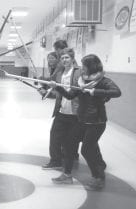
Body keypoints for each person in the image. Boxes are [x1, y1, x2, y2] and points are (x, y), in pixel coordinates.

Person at [51, 54, 121, 190]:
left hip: (96, 122)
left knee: (87, 150)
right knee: (68, 143)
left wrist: (96, 91)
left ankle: (98, 177)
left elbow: (117, 92)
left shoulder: (103, 81)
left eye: (84, 65)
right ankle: (66, 175)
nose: (82, 68)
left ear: (91, 66)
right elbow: (70, 95)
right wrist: (57, 87)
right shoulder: (81, 81)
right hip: (82, 120)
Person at [40, 40, 69, 170]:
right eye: (60, 55)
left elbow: (54, 81)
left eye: (66, 56)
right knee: (63, 134)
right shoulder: (63, 67)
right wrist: (46, 91)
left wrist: (44, 81)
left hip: (70, 108)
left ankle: (59, 159)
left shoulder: (65, 68)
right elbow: (57, 89)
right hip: (63, 106)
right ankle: (65, 156)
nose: (62, 57)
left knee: (59, 134)